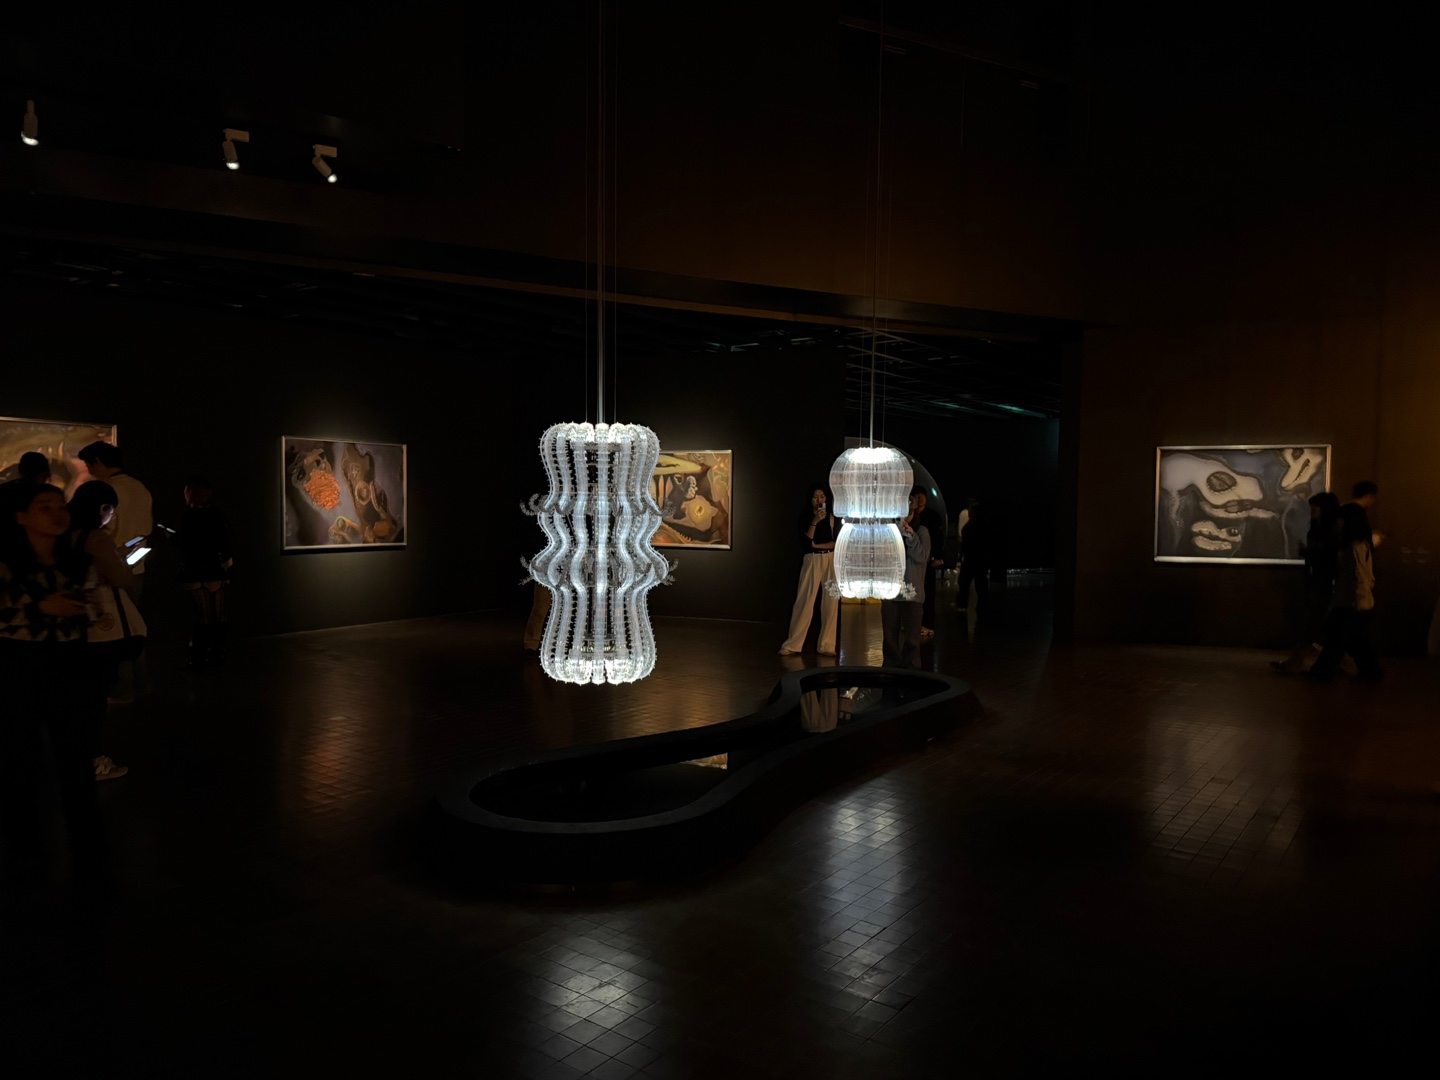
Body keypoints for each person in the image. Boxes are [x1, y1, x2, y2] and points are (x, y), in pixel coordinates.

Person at [0, 483, 109, 882]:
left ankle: (87, 848)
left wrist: (86, 609)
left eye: (60, 505)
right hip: (17, 667)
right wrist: (42, 607)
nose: (57, 513)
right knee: (18, 759)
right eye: (43, 506)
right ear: (20, 516)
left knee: (76, 758)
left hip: (69, 665)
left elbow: (95, 608)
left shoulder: (77, 562)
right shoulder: (6, 564)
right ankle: (25, 848)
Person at [68, 480, 133, 780]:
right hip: (94, 625)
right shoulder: (96, 537)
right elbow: (121, 577)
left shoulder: (63, 534)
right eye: (110, 510)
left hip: (67, 625)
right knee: (93, 698)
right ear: (101, 508)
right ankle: (93, 760)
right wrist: (122, 562)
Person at [1308, 502, 1382, 683]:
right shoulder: (1360, 544)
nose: (1338, 523)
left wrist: (1357, 601)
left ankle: (1323, 671)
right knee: (1355, 640)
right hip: (1355, 602)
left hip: (1350, 603)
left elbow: (1359, 576)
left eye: (1340, 519)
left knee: (1337, 639)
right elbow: (1366, 576)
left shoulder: (1353, 546)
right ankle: (1371, 672)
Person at [1271, 492, 1341, 674]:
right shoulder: (1318, 529)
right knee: (1320, 626)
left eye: (1315, 508)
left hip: (1325, 584)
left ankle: (1297, 661)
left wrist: (1308, 552)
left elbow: (1328, 558)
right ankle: (1333, 662)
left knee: (1314, 625)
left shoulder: (1331, 531)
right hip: (1317, 582)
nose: (1312, 511)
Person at [77, 441, 152, 603]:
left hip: (107, 568)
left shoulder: (103, 490)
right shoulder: (140, 487)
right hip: (136, 566)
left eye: (88, 465)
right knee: (130, 613)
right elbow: (147, 528)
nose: (89, 471)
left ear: (97, 461)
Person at [178, 476, 234, 669]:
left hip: (193, 570)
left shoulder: (187, 516)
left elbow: (185, 546)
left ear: (190, 492)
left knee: (202, 617)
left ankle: (200, 653)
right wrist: (228, 566)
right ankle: (218, 652)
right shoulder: (217, 514)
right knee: (218, 615)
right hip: (214, 569)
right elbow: (226, 542)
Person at [780, 484, 839, 657]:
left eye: (822, 497)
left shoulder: (832, 517)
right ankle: (793, 644)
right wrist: (815, 521)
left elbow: (836, 542)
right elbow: (806, 543)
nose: (819, 500)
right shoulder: (805, 517)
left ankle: (827, 645)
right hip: (812, 560)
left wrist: (816, 545)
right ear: (810, 499)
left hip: (830, 559)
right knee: (805, 600)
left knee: (831, 602)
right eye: (815, 497)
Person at [881, 491, 931, 669]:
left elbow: (922, 557)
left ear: (914, 512)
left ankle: (912, 670)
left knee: (912, 638)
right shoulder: (890, 531)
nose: (904, 518)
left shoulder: (922, 531)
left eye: (908, 513)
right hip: (890, 590)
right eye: (901, 514)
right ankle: (891, 668)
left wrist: (911, 536)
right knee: (889, 635)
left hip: (912, 591)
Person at [911, 487, 945, 639]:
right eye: (916, 496)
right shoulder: (910, 515)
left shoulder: (932, 516)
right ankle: (913, 623)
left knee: (928, 593)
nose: (919, 499)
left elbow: (938, 538)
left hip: (928, 560)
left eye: (922, 495)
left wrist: (938, 557)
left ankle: (928, 624)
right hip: (913, 560)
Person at [956, 501, 992, 615]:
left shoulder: (969, 527)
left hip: (970, 560)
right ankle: (982, 606)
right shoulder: (984, 526)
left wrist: (961, 556)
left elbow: (964, 545)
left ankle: (963, 605)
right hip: (980, 560)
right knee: (980, 585)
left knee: (965, 583)